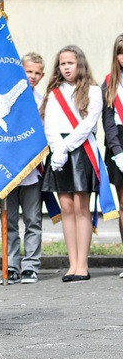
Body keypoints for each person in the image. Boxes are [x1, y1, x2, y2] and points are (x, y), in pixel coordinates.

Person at [42, 46, 102, 282]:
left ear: (80, 65)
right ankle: (72, 264)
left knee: (81, 207)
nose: (66, 67)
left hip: (82, 151)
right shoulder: (54, 92)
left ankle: (83, 265)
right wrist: (58, 148)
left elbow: (88, 125)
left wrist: (66, 147)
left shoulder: (94, 91)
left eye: (70, 63)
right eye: (62, 63)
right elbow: (50, 125)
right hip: (60, 151)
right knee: (66, 207)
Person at [5, 52, 45, 284]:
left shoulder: (42, 100)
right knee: (9, 221)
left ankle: (31, 265)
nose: (33, 76)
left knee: (33, 219)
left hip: (31, 170)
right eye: (29, 71)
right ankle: (12, 264)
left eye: (38, 73)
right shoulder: (8, 97)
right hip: (9, 169)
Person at [102, 35, 123, 277]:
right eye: (120, 52)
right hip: (119, 144)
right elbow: (108, 122)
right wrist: (117, 152)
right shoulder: (109, 82)